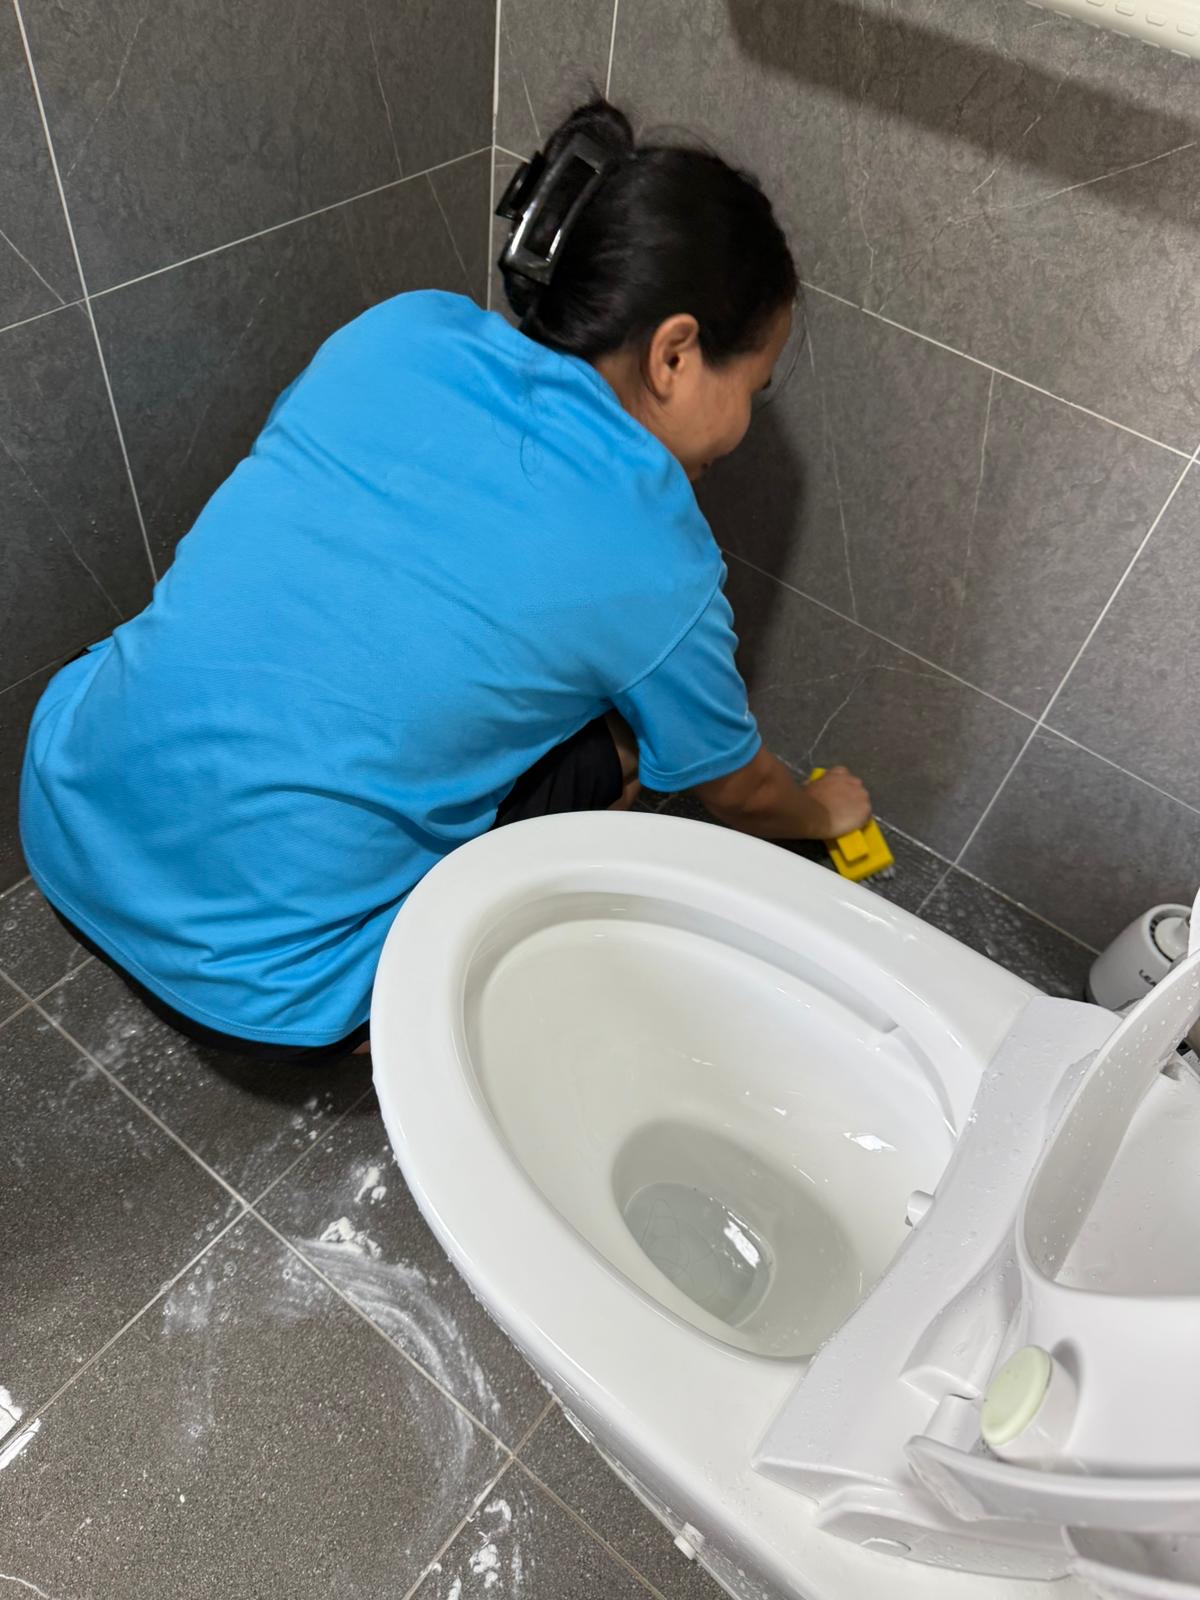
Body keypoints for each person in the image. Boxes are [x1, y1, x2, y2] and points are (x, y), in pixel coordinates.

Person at [19, 97, 872, 1063]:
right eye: (751, 390)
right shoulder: (659, 558)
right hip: (266, 979)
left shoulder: (404, 327)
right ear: (675, 356)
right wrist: (822, 808)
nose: (746, 425)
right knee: (630, 748)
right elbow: (740, 793)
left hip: (66, 813)